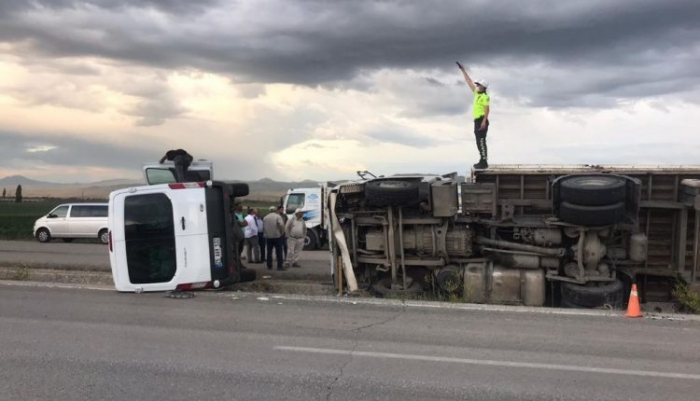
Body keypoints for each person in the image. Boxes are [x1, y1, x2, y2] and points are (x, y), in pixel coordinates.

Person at [457, 62, 490, 169]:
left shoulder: (485, 96)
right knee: (478, 141)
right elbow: (469, 82)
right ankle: (482, 159)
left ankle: (484, 161)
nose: (477, 86)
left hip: (482, 120)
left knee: (481, 140)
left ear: (483, 87)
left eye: (479, 85)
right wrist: (463, 70)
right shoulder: (477, 93)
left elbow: (487, 109)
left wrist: (484, 121)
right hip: (477, 120)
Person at [263, 205, 286, 271]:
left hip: (268, 236)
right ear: (276, 210)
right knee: (279, 251)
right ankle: (279, 266)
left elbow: (263, 227)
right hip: (277, 236)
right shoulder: (277, 216)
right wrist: (282, 232)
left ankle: (269, 265)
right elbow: (281, 225)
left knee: (269, 252)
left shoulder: (265, 217)